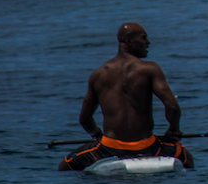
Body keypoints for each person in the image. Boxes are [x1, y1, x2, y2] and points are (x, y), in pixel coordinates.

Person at [59, 23, 193, 171]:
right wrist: (173, 130)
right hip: (148, 147)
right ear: (129, 40)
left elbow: (84, 118)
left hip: (109, 149)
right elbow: (172, 106)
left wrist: (96, 135)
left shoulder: (98, 74)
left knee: (65, 166)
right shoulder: (149, 69)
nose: (148, 42)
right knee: (187, 158)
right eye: (144, 38)